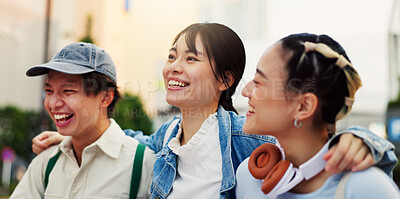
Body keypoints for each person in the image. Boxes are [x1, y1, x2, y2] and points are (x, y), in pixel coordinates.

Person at [31, 24, 396, 199]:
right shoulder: (166, 141)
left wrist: (361, 138)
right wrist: (76, 134)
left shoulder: (250, 142)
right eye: (172, 55)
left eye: (190, 58)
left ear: (224, 79)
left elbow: (309, 141)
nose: (174, 66)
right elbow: (128, 141)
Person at [236, 33, 399, 198]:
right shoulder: (248, 177)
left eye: (258, 82)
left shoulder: (367, 187)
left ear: (303, 106)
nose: (245, 91)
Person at [10, 42, 155, 199]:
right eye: (49, 91)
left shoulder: (143, 165)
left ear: (106, 97)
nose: (52, 103)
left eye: (68, 91)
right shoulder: (46, 163)